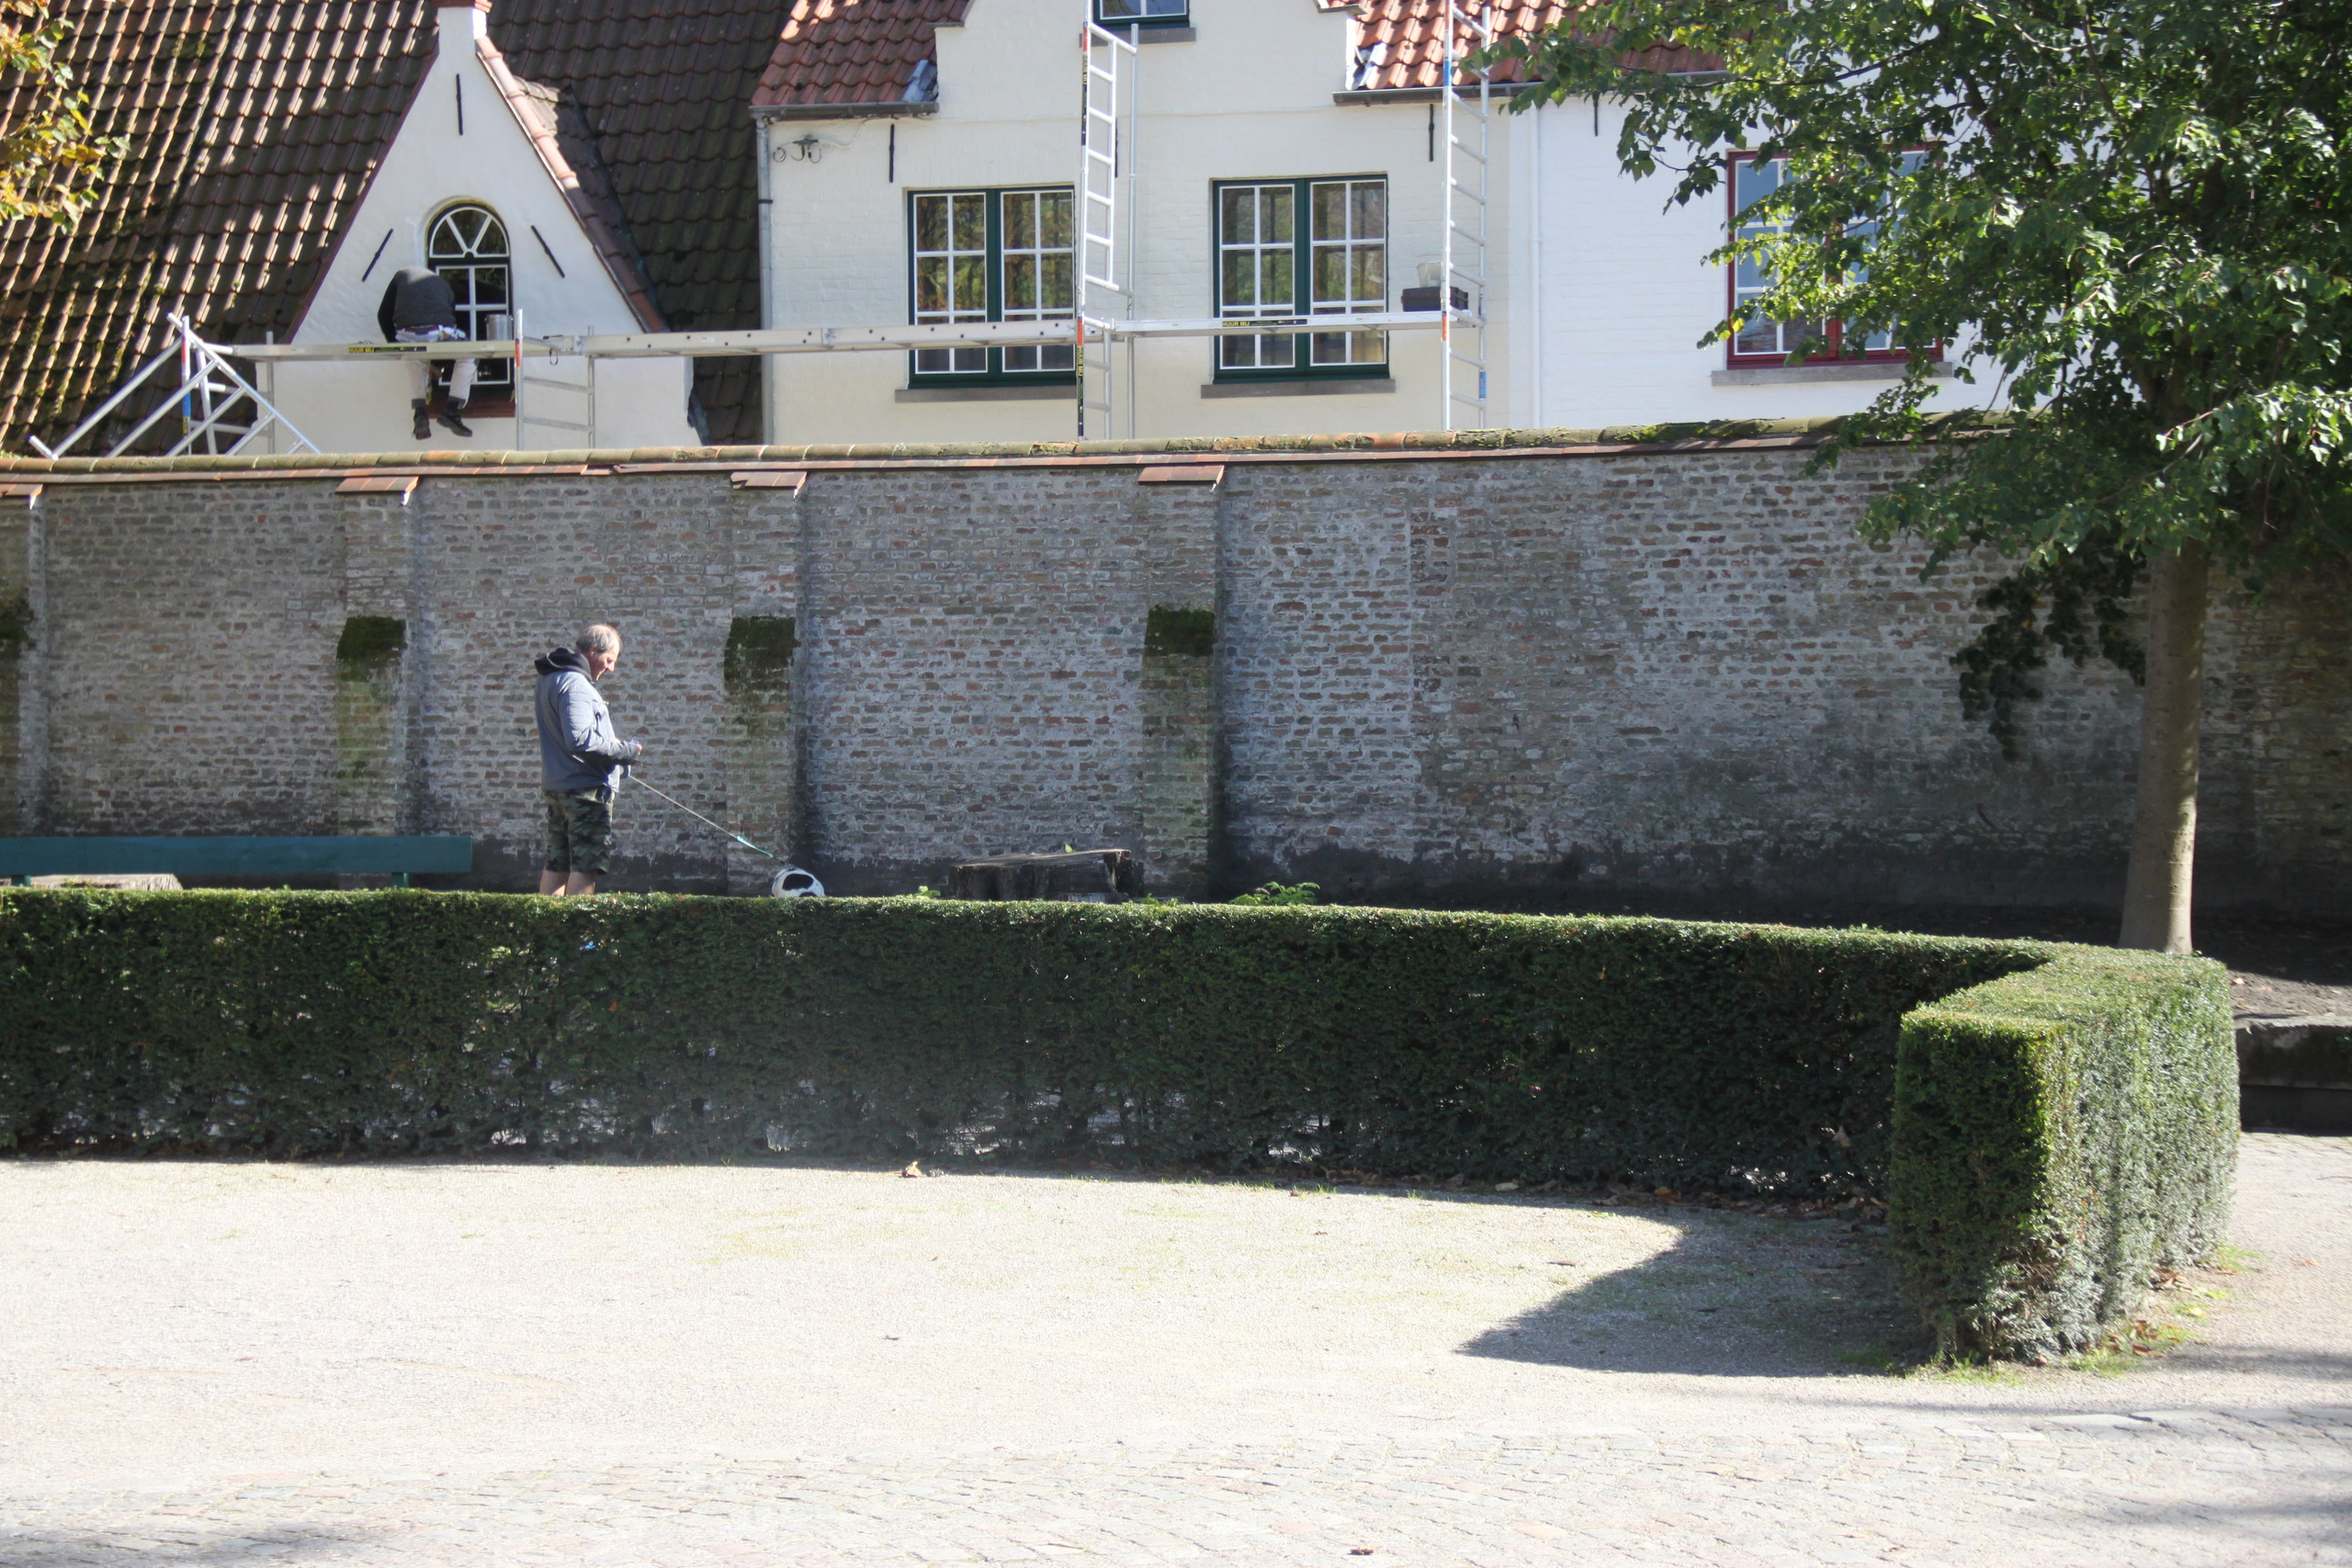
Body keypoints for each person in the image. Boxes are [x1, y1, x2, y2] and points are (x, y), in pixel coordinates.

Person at [533, 624, 644, 896]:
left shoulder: (551, 678)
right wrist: (627, 751)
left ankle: (547, 934)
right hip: (586, 792)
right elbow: (581, 741)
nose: (611, 669)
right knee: (585, 865)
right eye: (609, 660)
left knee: (557, 864)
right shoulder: (576, 685)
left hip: (559, 786)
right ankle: (577, 936)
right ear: (593, 651)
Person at [377, 266, 476, 441]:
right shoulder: (444, 286)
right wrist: (440, 365)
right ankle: (452, 410)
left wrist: (396, 346)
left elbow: (383, 314)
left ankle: (420, 413)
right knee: (469, 355)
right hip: (436, 332)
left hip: (406, 333)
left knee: (414, 355)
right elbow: (449, 323)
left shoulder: (400, 277)